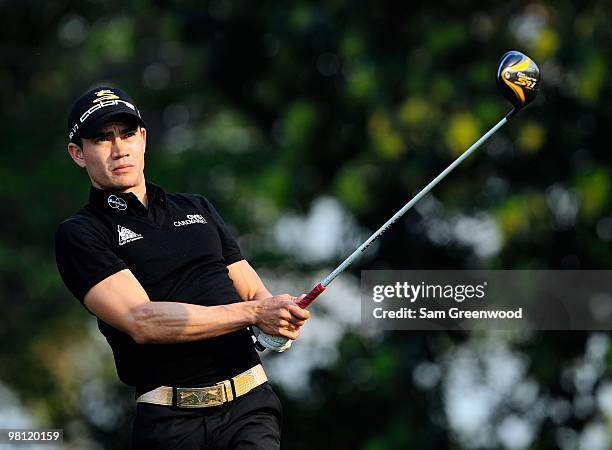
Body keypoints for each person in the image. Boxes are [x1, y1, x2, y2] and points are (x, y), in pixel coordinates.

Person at [54, 85, 310, 449]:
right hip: (170, 425)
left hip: (249, 408)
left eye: (127, 134)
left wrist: (278, 317)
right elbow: (144, 321)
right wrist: (254, 313)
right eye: (101, 138)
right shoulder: (80, 233)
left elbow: (252, 290)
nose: (119, 148)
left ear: (143, 138)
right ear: (78, 154)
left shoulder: (197, 207)